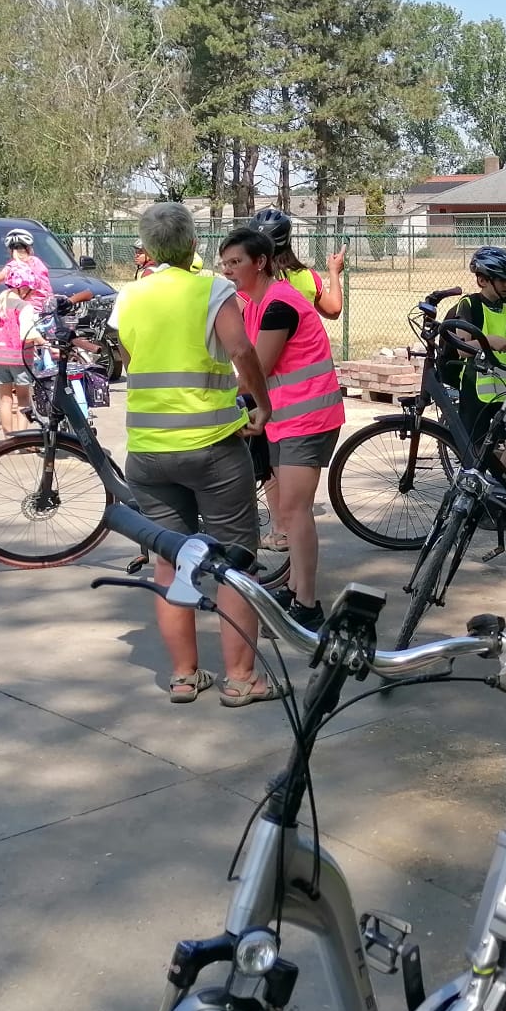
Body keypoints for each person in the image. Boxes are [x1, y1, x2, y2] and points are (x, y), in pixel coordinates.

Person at [118, 202, 274, 707]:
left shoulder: (131, 295)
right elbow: (241, 351)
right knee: (234, 562)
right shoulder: (212, 289)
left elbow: (127, 356)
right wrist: (260, 403)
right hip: (211, 447)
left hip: (147, 452)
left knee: (169, 563)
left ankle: (184, 676)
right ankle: (240, 678)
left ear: (147, 246)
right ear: (191, 245)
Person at [219, 226, 345, 630]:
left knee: (295, 511)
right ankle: (294, 587)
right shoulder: (253, 301)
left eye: (236, 262)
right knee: (290, 513)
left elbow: (258, 369)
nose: (229, 270)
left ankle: (307, 603)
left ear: (260, 262)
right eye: (224, 263)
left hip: (308, 419)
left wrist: (213, 395)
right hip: (286, 419)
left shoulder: (279, 305)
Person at [444, 245, 506, 454]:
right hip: (477, 388)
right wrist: (489, 341)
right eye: (501, 280)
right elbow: (463, 349)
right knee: (474, 446)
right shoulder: (470, 305)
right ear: (483, 280)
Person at [249, 208, 343, 320]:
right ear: (288, 240)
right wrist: (334, 271)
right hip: (304, 336)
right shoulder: (306, 275)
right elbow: (333, 310)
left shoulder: (248, 279)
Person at [0, 262, 42, 435]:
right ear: (23, 288)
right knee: (23, 398)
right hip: (18, 357)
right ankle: (21, 437)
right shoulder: (24, 307)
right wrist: (43, 342)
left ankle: (8, 437)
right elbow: (27, 335)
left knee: (5, 398)